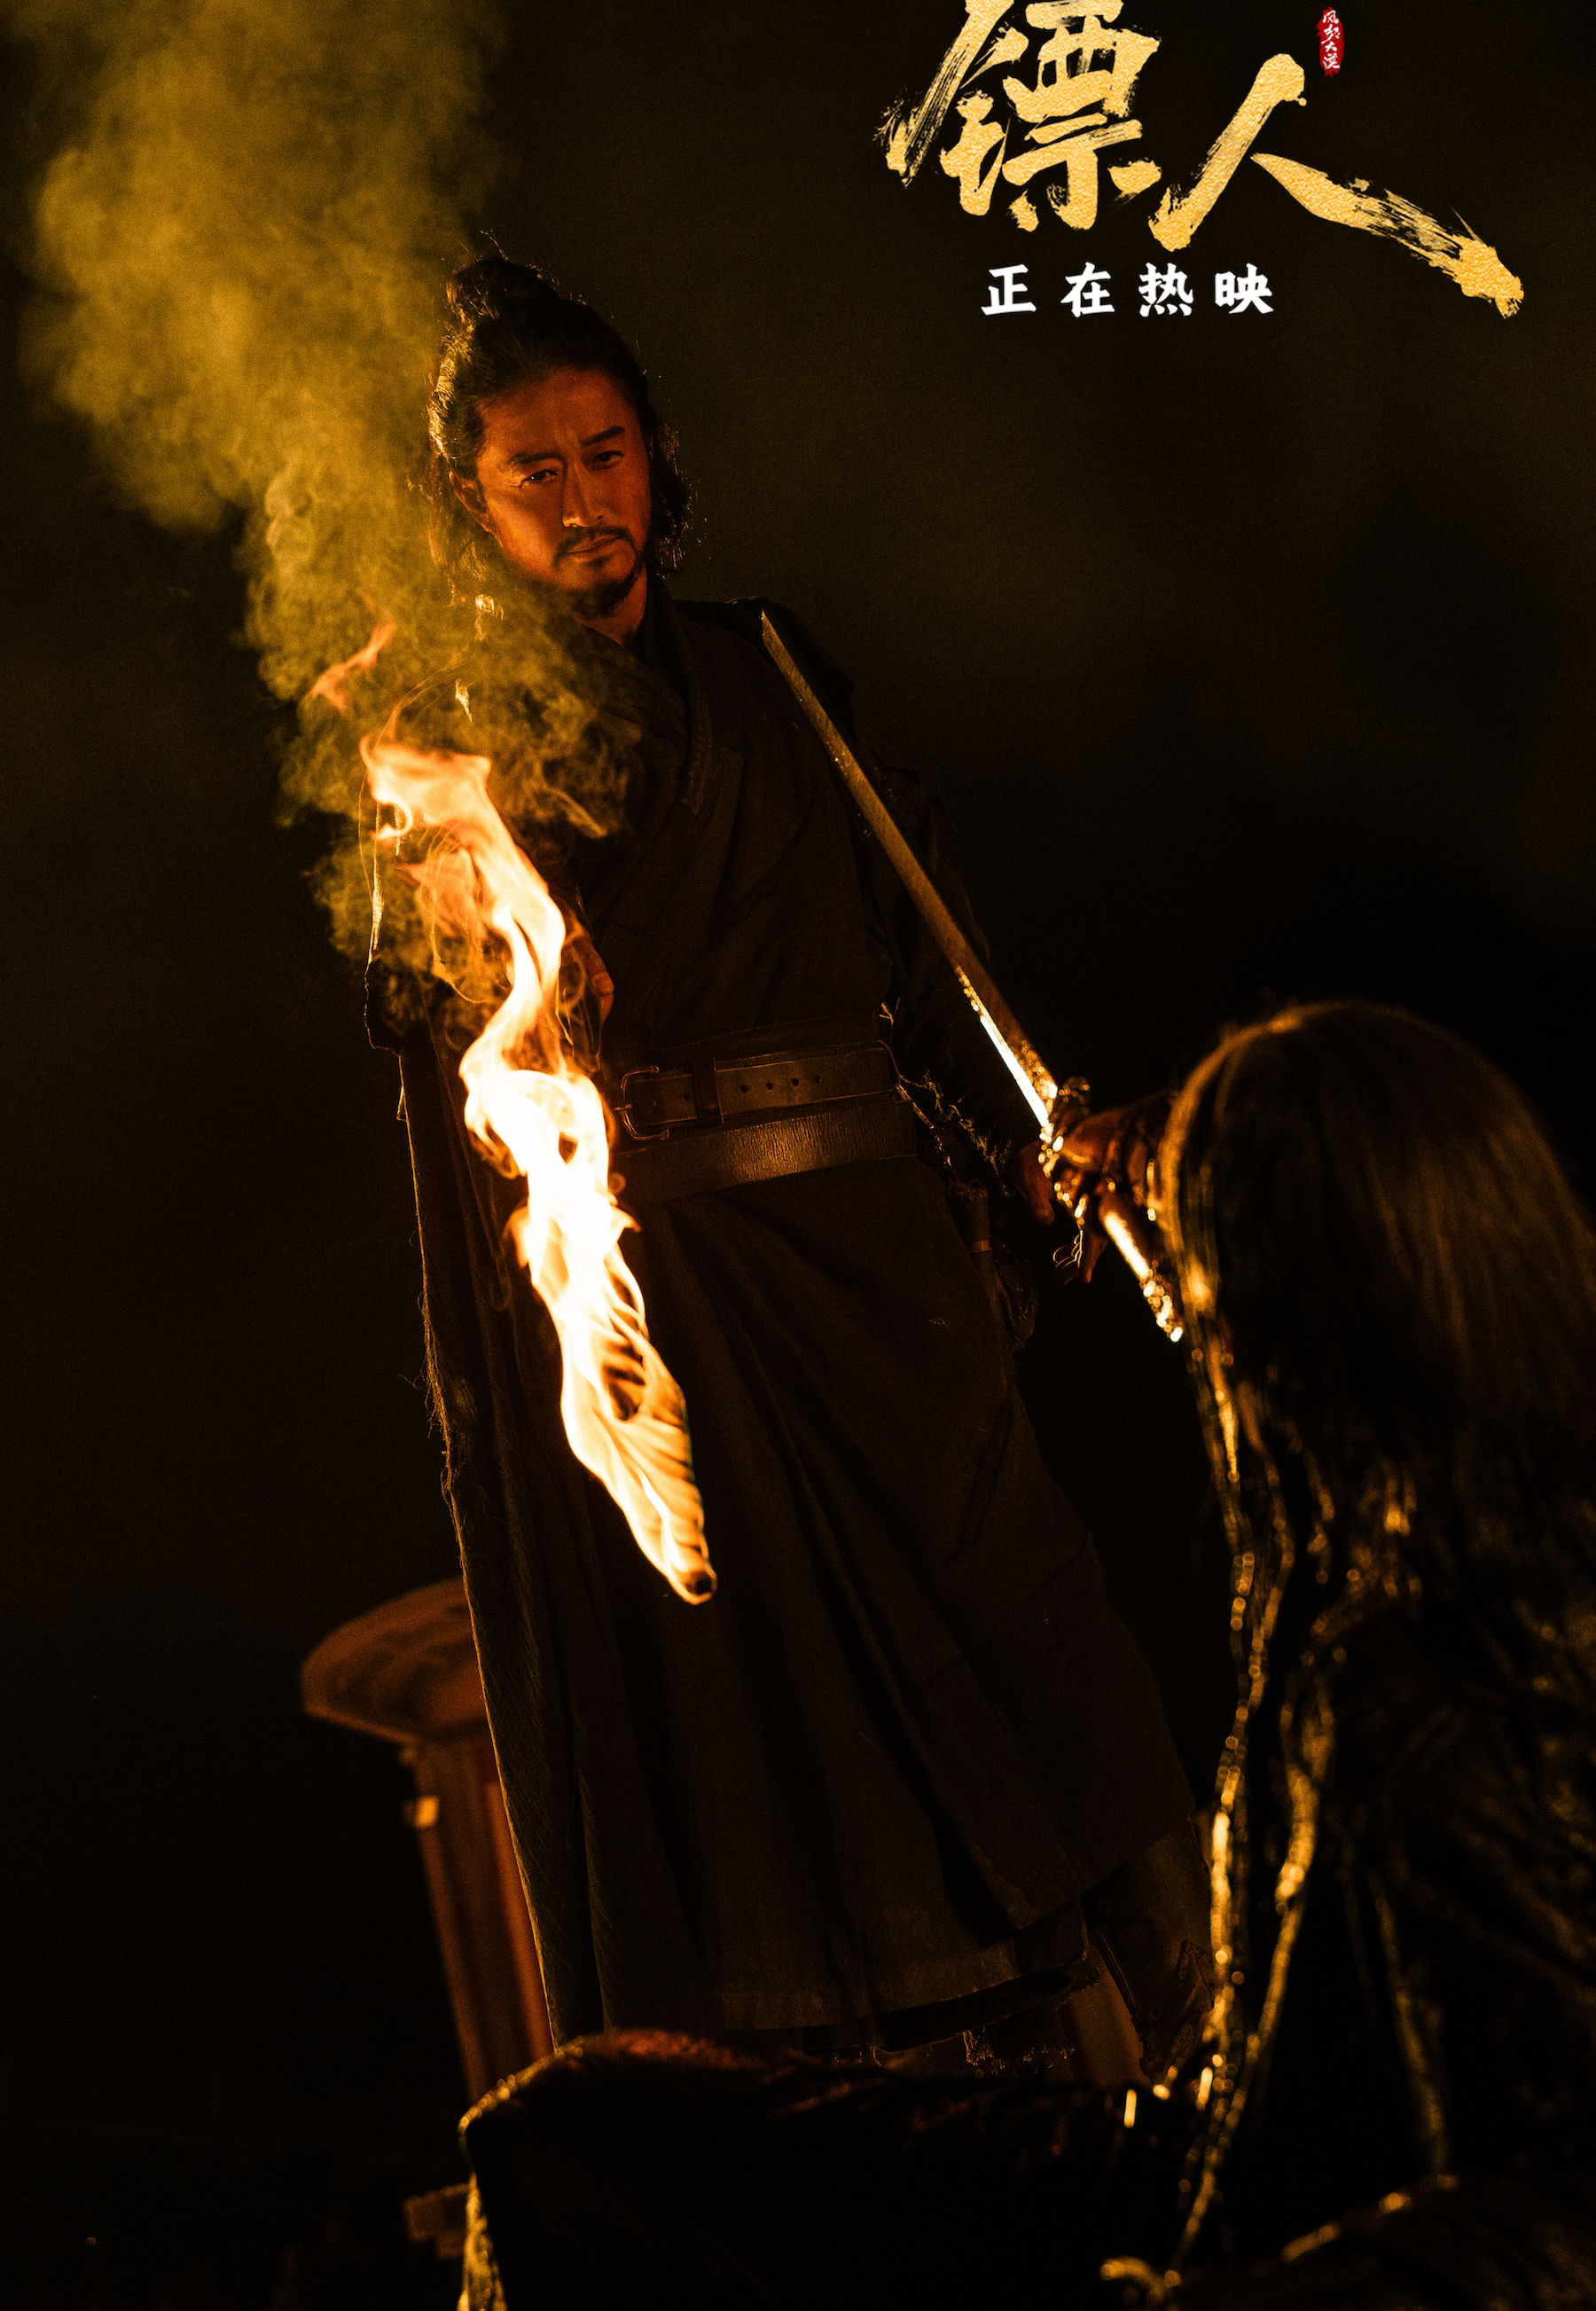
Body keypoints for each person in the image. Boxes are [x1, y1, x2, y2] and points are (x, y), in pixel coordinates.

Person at [368, 253, 1209, 2077]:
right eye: (537, 471)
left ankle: (1210, 2071)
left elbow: (926, 954)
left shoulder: (769, 668)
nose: (585, 499)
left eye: (607, 452)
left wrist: (1036, 1141)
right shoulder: (445, 743)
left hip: (888, 1284)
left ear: (658, 454)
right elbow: (433, 1020)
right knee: (781, 1766)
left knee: (1048, 1672)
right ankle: (891, 2137)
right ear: (472, 504)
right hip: (684, 1315)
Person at [458, 1000, 1596, 2308]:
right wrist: (1159, 1158)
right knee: (581, 2130)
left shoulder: (1438, 1688)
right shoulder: (1440, 1575)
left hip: (1298, 2241)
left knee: (591, 2161)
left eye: (1219, 1287)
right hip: (1220, 2161)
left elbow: (1553, 2207)